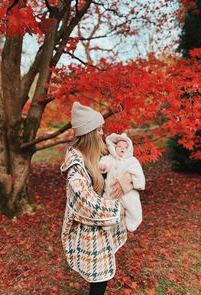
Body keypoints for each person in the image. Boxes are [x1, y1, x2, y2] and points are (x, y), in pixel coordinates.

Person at [60, 102, 135, 295]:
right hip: (89, 229)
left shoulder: (98, 153)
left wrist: (126, 181)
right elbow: (86, 201)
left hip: (102, 226)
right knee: (100, 277)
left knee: (102, 277)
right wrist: (119, 209)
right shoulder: (75, 167)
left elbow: (122, 165)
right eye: (99, 129)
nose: (102, 133)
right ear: (89, 133)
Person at [99, 133, 145, 232]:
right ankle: (107, 224)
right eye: (119, 146)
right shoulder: (111, 158)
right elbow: (105, 161)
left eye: (125, 147)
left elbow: (138, 173)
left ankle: (133, 221)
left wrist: (138, 184)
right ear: (114, 147)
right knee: (107, 205)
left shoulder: (132, 161)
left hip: (127, 192)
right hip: (111, 189)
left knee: (133, 204)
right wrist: (103, 166)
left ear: (129, 149)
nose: (122, 148)